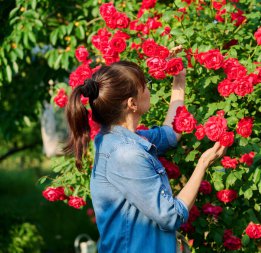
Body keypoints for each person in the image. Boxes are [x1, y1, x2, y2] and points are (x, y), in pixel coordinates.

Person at [64, 56, 227, 252]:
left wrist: (179, 81)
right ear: (132, 103)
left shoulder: (121, 139)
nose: (149, 90)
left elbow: (171, 133)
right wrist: (203, 164)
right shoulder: (125, 154)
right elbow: (171, 216)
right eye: (145, 85)